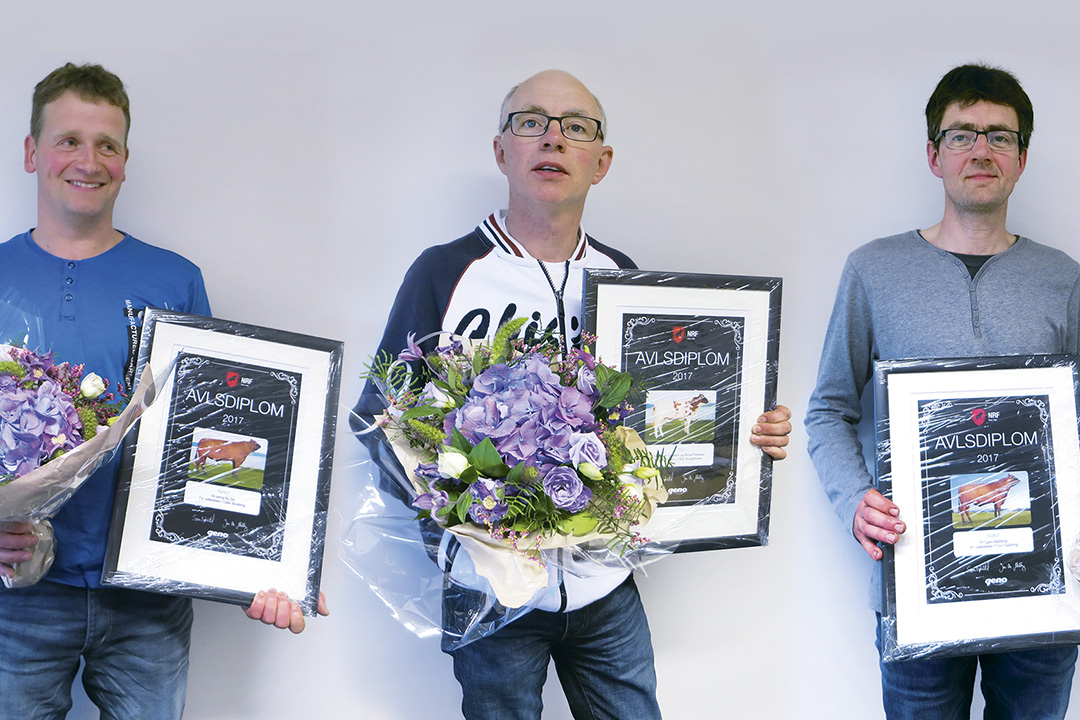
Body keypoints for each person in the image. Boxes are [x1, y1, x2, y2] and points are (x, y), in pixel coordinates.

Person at [355, 69, 792, 720]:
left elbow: (656, 422)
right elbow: (379, 417)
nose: (553, 139)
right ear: (501, 150)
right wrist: (456, 525)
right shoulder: (446, 272)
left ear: (601, 162)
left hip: (603, 583)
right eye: (531, 122)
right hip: (492, 585)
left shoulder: (623, 279)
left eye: (576, 128)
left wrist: (740, 433)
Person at [0, 62, 323, 720]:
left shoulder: (175, 281)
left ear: (125, 162)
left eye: (107, 145)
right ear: (32, 152)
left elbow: (218, 430)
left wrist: (269, 565)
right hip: (18, 599)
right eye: (68, 140)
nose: (88, 161)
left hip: (148, 599)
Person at [805, 63, 1080, 718]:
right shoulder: (873, 270)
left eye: (999, 136)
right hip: (916, 580)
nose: (981, 150)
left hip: (1044, 587)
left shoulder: (1063, 278)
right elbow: (828, 409)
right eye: (961, 135)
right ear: (935, 156)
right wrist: (856, 498)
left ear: (1021, 158)